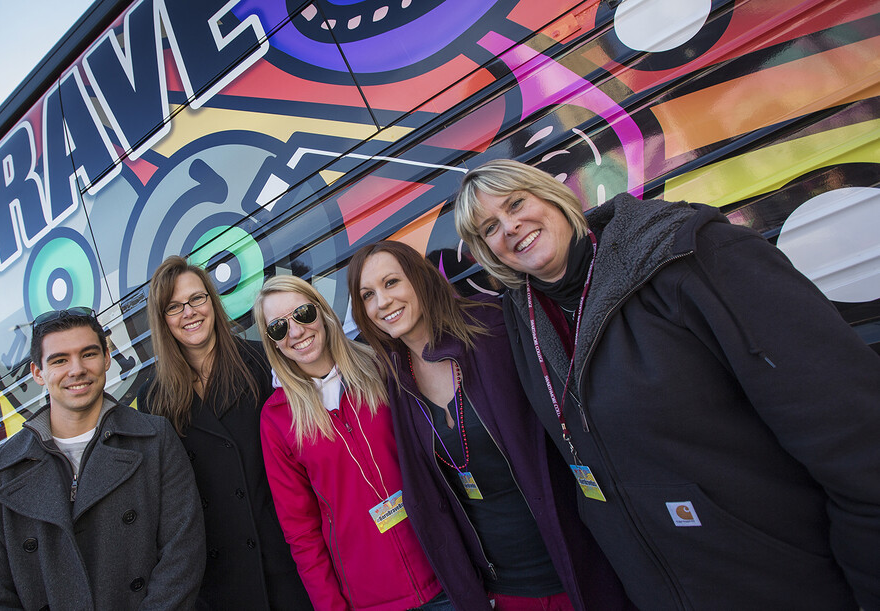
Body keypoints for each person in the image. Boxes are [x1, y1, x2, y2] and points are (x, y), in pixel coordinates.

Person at [453, 158, 880, 609]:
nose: (511, 226)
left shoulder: (692, 255)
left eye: (516, 203)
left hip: (784, 579)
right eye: (489, 229)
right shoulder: (525, 319)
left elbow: (850, 432)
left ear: (554, 197)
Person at [348, 240, 631, 611]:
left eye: (391, 283)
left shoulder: (491, 327)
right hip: (503, 590)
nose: (382, 302)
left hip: (578, 565)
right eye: (367, 295)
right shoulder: (396, 381)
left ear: (419, 279)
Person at [0, 307, 204, 610]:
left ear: (106, 357)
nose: (76, 369)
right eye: (60, 360)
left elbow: (182, 556)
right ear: (38, 373)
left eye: (88, 354)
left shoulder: (155, 440)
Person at [254, 275, 446, 610]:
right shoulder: (277, 418)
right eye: (278, 328)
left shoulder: (381, 365)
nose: (296, 331)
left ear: (322, 311)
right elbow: (301, 533)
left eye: (302, 313)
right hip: (371, 598)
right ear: (272, 342)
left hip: (445, 571)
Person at [138, 256, 311, 610]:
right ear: (163, 320)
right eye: (174, 306)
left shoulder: (261, 360)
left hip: (285, 555)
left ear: (212, 301)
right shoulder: (153, 397)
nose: (189, 312)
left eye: (196, 299)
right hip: (220, 578)